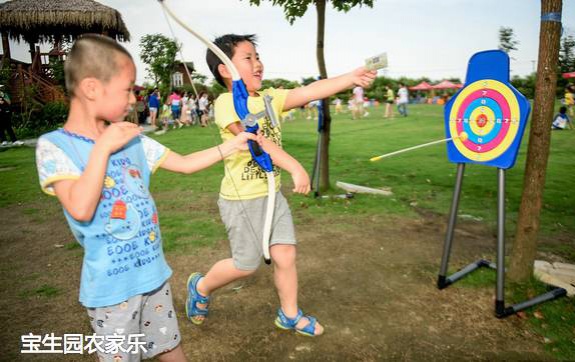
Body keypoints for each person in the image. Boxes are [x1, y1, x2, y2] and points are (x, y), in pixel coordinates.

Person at [34, 34, 257, 361]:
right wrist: (103, 148)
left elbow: (184, 164)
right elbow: (80, 207)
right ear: (92, 88)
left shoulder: (131, 139)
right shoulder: (55, 146)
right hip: (111, 293)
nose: (133, 99)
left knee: (170, 348)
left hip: (153, 278)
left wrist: (231, 146)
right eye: (127, 89)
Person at [185, 33, 376, 337]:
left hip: (272, 195)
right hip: (242, 200)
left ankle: (289, 314)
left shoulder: (270, 97)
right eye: (248, 58)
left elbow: (311, 90)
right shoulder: (225, 104)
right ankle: (201, 286)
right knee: (245, 265)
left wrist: (351, 77)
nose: (258, 63)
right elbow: (254, 142)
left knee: (285, 255)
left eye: (257, 57)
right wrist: (294, 166)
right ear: (225, 68)